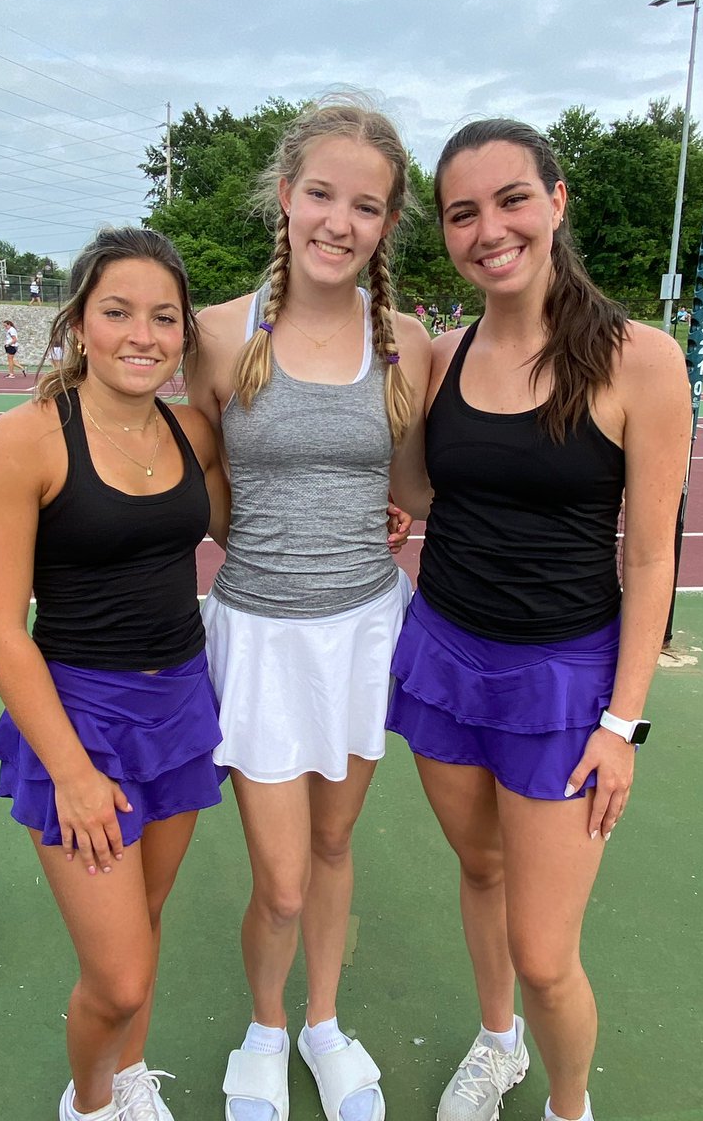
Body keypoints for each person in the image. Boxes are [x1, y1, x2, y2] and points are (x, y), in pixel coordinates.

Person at [386, 119, 691, 1121]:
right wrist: (391, 460)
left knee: (548, 954)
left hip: (566, 686)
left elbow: (649, 558)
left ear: (557, 201)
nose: (489, 229)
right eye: (463, 213)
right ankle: (497, 1042)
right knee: (479, 868)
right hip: (444, 654)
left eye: (511, 198)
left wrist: (623, 725)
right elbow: (433, 498)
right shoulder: (441, 354)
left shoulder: (642, 360)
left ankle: (569, 1104)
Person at [188, 99, 431, 1121]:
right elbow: (195, 497)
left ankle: (323, 1024)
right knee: (280, 880)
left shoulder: (408, 343)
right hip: (257, 636)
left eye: (365, 205)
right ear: (285, 198)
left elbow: (415, 489)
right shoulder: (215, 335)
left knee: (334, 852)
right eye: (322, 194)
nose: (340, 219)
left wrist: (405, 524)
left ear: (384, 225)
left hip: (367, 630)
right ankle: (265, 1027)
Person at [0, 227, 230, 1121]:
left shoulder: (190, 428)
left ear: (184, 332)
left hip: (180, 706)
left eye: (164, 317)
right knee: (116, 977)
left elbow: (241, 527)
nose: (142, 335)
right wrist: (74, 775)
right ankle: (87, 1106)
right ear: (80, 321)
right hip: (80, 720)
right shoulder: (26, 440)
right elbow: (0, 630)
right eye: (117, 312)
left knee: (146, 929)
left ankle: (129, 1082)